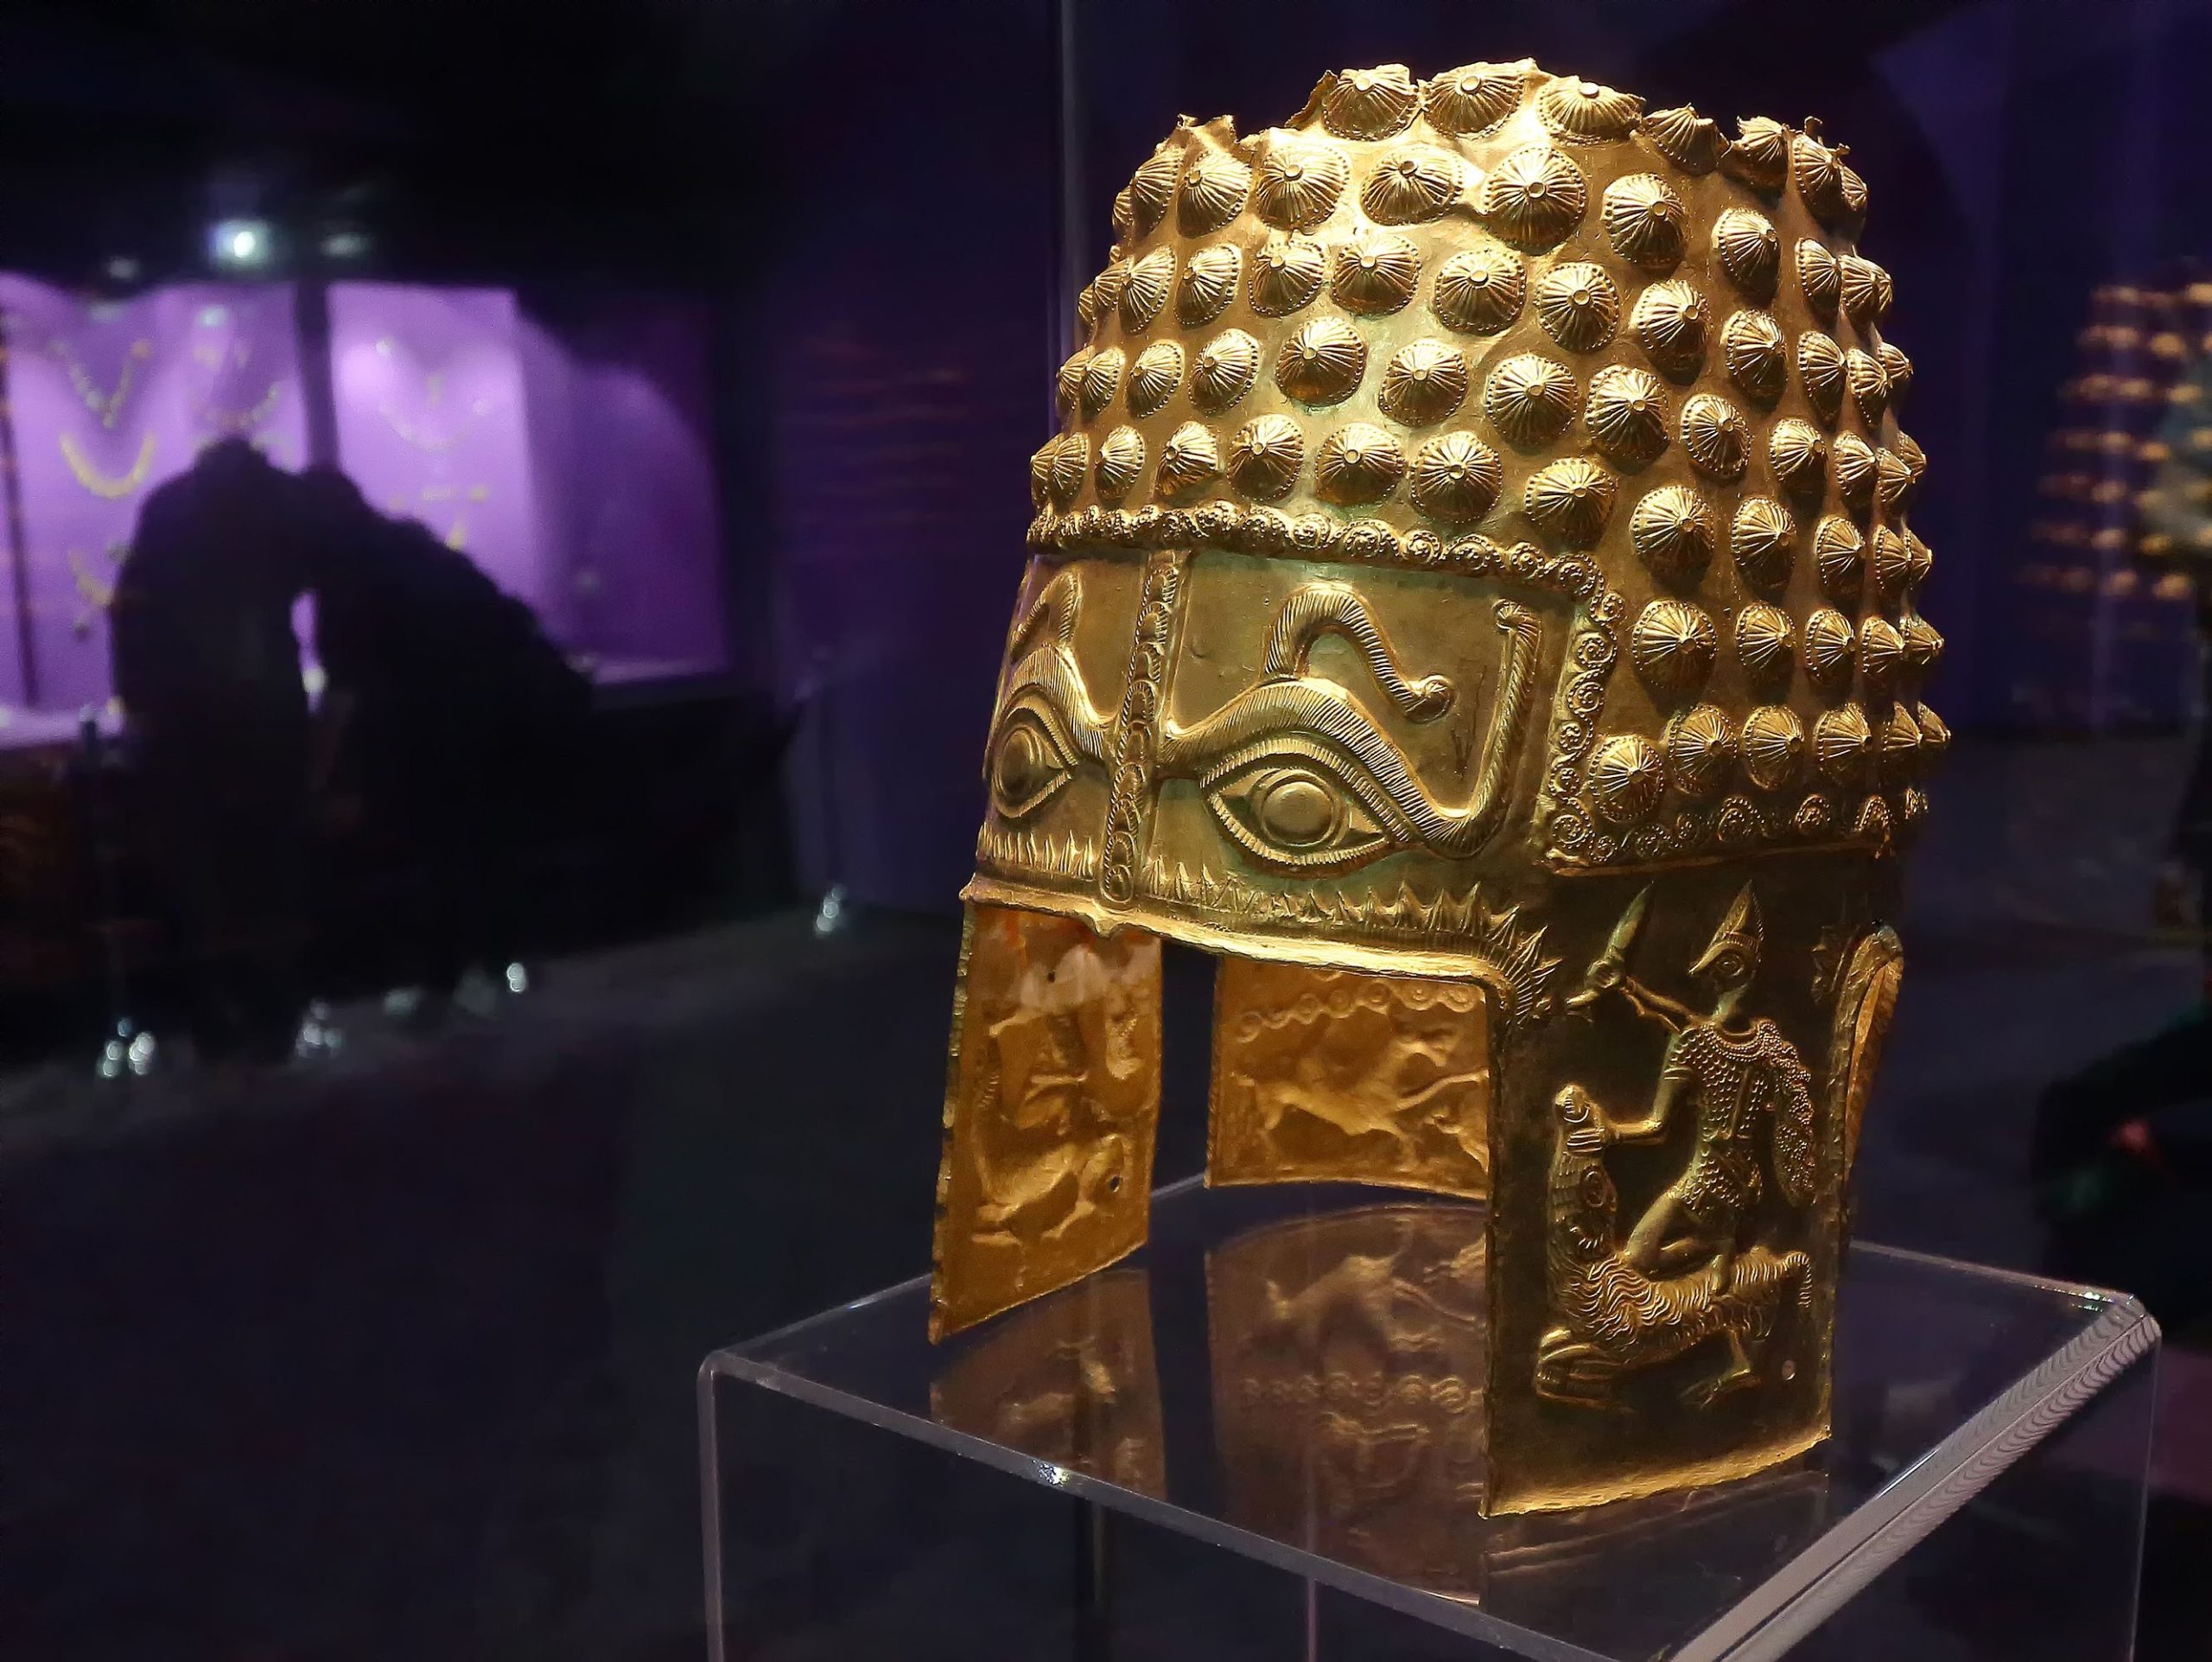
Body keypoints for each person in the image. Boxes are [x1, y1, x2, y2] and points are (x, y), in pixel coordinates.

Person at [111, 440, 314, 1061]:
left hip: (188, 726)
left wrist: (139, 705)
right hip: (254, 724)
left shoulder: (172, 512)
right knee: (265, 874)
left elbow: (132, 611)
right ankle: (269, 1014)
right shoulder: (268, 510)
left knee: (202, 882)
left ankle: (217, 1021)